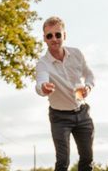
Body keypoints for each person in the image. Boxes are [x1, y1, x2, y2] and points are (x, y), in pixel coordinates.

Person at [35, 16, 96, 171]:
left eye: (58, 34)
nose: (54, 39)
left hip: (82, 112)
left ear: (64, 35)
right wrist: (44, 88)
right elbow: (39, 84)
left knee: (87, 159)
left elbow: (89, 75)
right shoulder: (43, 64)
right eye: (49, 36)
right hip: (60, 117)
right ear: (44, 39)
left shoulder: (76, 54)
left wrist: (88, 87)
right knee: (63, 161)